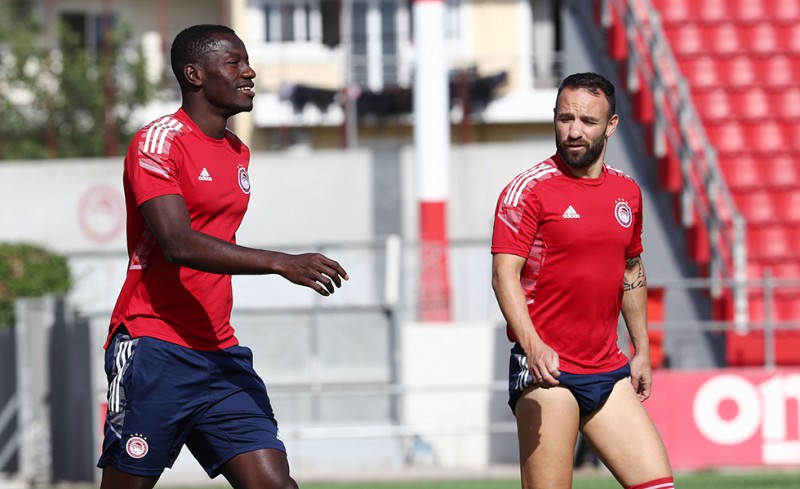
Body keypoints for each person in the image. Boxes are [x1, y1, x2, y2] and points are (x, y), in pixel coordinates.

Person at [97, 24, 348, 489]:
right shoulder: (158, 142)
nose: (248, 72)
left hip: (219, 351)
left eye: (246, 62)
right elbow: (177, 242)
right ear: (194, 74)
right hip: (155, 346)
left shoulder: (237, 151)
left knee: (276, 485)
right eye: (234, 63)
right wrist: (281, 262)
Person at [491, 72, 674, 489]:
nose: (574, 131)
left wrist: (642, 349)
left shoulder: (627, 192)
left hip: (608, 370)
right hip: (548, 372)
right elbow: (504, 276)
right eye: (565, 118)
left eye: (588, 121)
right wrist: (533, 346)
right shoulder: (528, 191)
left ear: (611, 125)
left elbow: (631, 270)